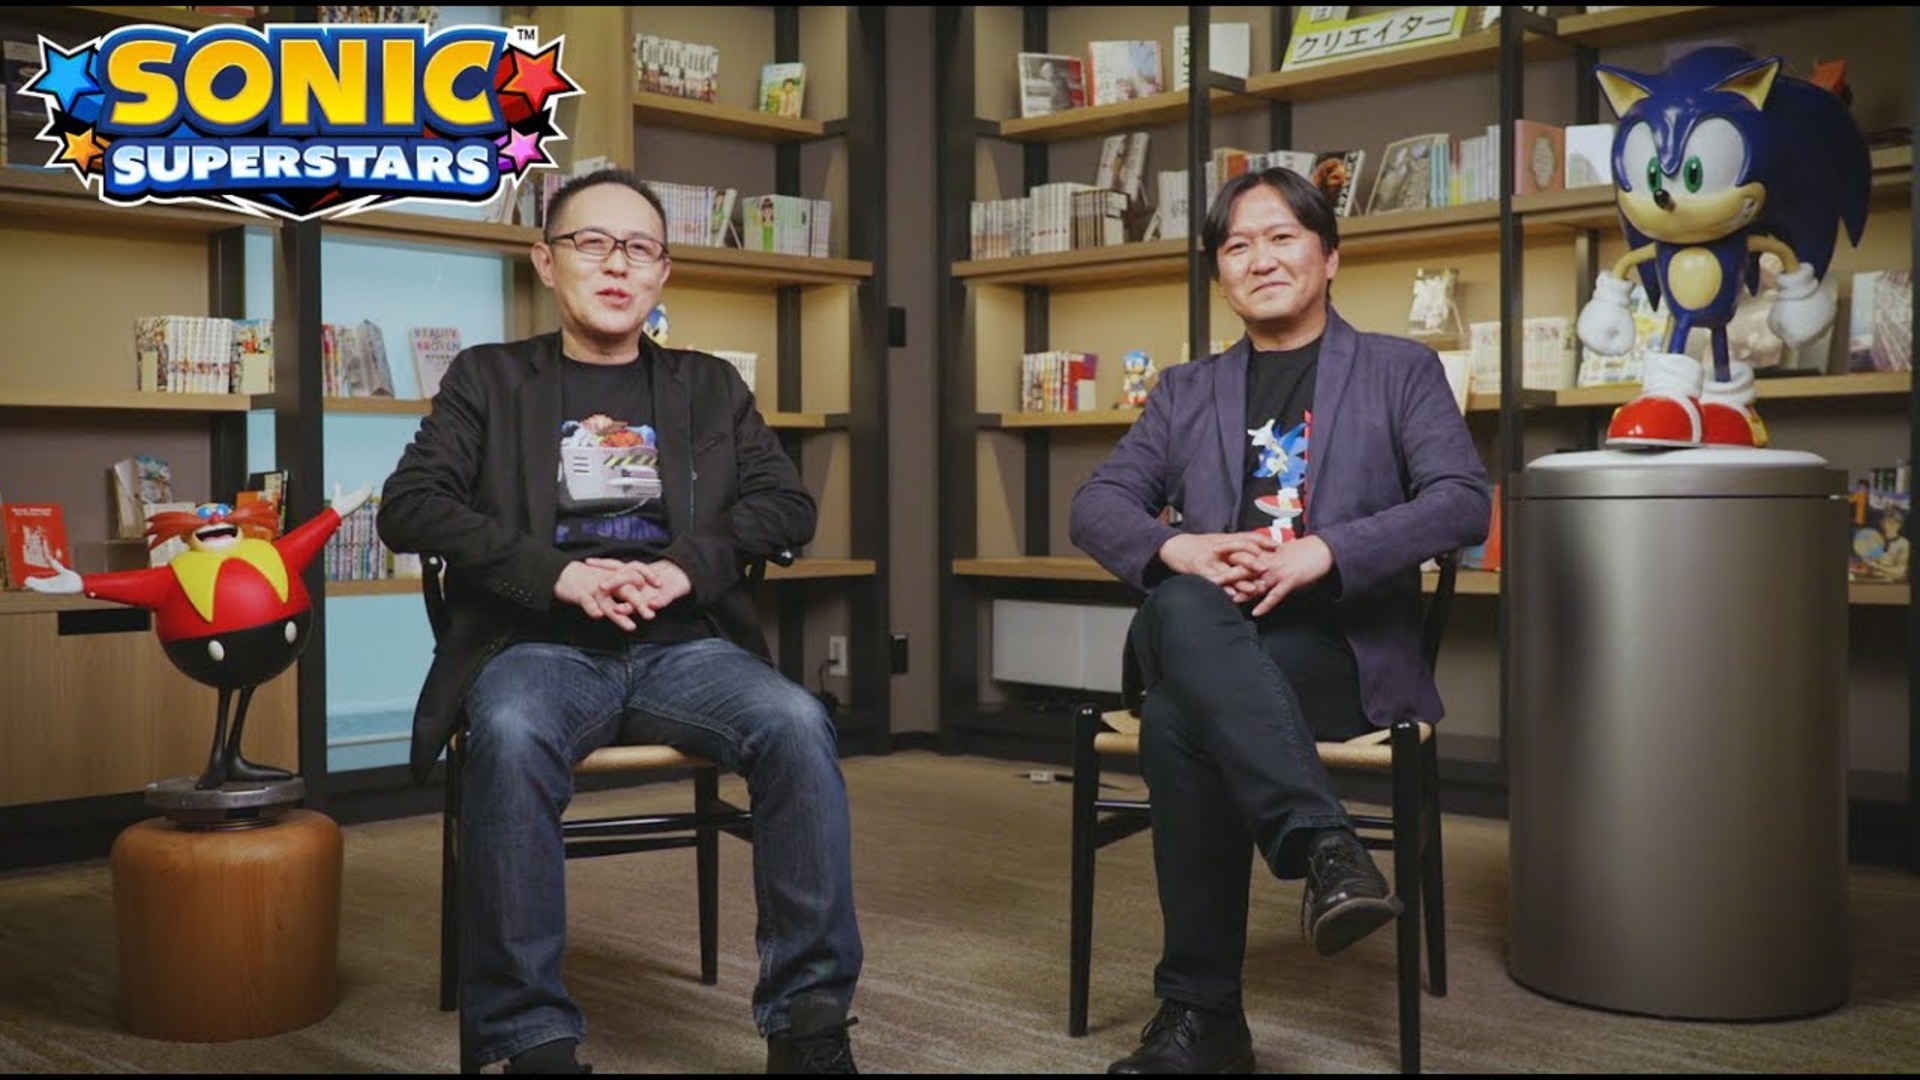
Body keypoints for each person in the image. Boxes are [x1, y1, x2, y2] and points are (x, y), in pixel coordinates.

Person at [377, 169, 862, 1075]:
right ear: (545, 261)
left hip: (685, 647)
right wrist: (558, 577)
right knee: (510, 733)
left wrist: (683, 568)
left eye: (639, 248)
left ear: (662, 272)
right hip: (538, 645)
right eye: (591, 243)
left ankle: (808, 1023)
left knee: (798, 722)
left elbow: (786, 506)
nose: (616, 265)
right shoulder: (489, 378)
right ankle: (532, 1042)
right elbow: (410, 506)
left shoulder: (709, 386)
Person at [1068, 167, 1491, 1074]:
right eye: (1236, 246)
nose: (1259, 259)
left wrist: (1326, 550)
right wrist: (1182, 548)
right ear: (1220, 275)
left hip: (1334, 650)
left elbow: (1462, 500)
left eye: (1281, 237)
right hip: (1204, 627)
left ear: (1329, 256)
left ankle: (1204, 1018)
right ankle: (1325, 844)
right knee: (1183, 603)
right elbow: (1096, 504)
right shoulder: (1185, 390)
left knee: (1178, 718)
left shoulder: (1399, 370)